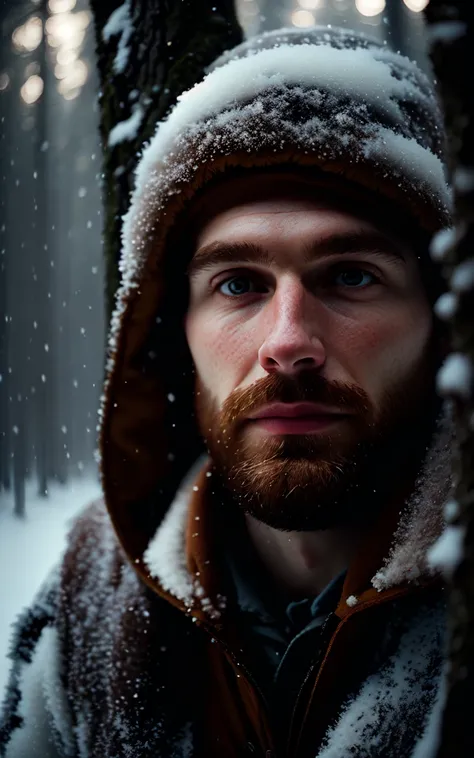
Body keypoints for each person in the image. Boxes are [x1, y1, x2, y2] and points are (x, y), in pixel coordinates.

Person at [0, 25, 454, 758]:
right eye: (239, 283)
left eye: (350, 275)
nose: (287, 342)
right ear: (175, 331)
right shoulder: (90, 600)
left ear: (439, 320)